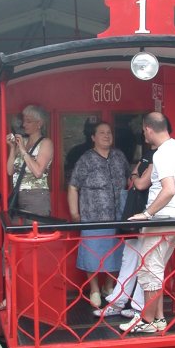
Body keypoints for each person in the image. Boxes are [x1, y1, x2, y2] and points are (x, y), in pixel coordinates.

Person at [119, 112, 175, 335]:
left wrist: (147, 213)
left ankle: (147, 321)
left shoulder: (162, 155)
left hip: (161, 219)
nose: (144, 134)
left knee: (148, 269)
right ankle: (158, 319)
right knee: (156, 269)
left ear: (148, 129)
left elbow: (168, 189)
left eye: (143, 130)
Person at [0, 104, 54, 311]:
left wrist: (23, 150)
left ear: (39, 123)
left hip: (37, 198)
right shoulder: (24, 143)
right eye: (23, 120)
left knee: (35, 248)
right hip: (19, 199)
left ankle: (38, 298)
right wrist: (13, 149)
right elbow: (10, 171)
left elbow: (38, 172)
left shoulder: (45, 143)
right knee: (12, 248)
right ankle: (13, 297)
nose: (23, 124)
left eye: (28, 120)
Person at [67, 121, 131, 308]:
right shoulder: (86, 159)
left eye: (109, 132)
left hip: (117, 215)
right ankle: (94, 289)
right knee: (92, 254)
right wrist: (74, 213)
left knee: (115, 253)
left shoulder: (119, 156)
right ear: (93, 137)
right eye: (102, 133)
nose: (106, 136)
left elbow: (129, 178)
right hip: (92, 216)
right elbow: (73, 185)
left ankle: (108, 285)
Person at [92, 146, 154, 318]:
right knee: (129, 258)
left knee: (146, 263)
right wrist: (135, 176)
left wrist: (135, 176)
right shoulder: (149, 155)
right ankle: (118, 302)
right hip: (135, 212)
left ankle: (139, 308)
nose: (143, 133)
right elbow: (134, 177)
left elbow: (140, 182)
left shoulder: (163, 155)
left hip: (149, 214)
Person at [64, 118, 99, 184]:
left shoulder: (113, 155)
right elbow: (68, 175)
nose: (91, 133)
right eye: (89, 130)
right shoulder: (75, 152)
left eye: (94, 131)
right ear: (84, 132)